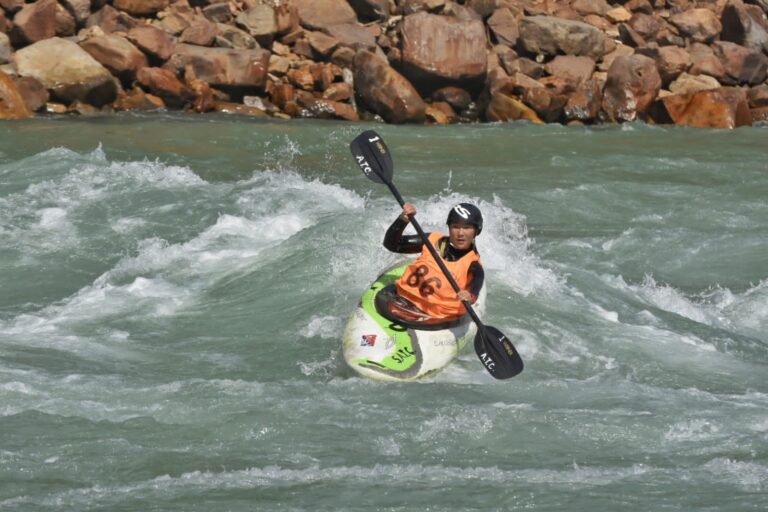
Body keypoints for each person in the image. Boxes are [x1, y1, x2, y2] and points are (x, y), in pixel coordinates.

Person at [381, 202, 485, 324]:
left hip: (435, 317)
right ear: (449, 227)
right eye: (455, 226)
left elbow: (474, 293)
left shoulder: (474, 265)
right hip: (401, 301)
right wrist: (402, 220)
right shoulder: (431, 241)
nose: (460, 233)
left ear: (476, 231)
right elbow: (391, 244)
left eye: (467, 228)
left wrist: (469, 296)